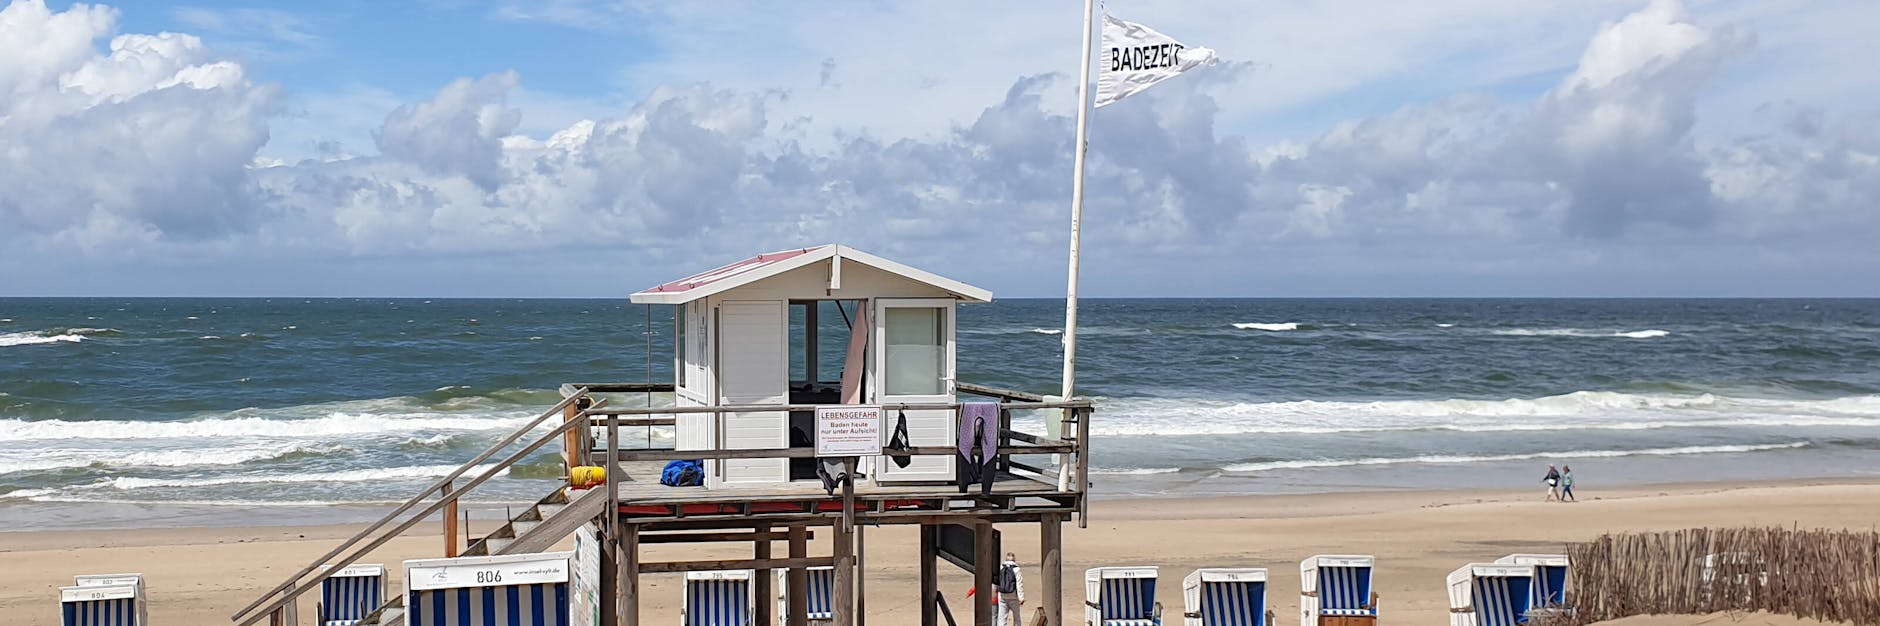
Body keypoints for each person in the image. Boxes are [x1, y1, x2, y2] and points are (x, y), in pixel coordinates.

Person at [997, 552, 1025, 626]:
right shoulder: (1017, 569)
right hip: (1013, 596)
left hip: (1002, 595)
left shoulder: (1000, 568)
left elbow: (997, 581)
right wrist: (1021, 598)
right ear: (1014, 560)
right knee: (1016, 618)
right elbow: (1019, 585)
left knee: (1002, 618)